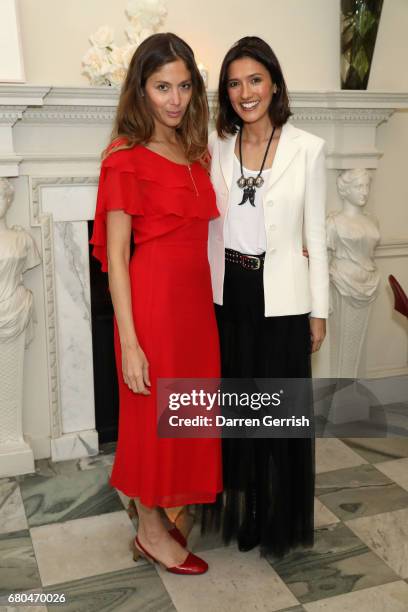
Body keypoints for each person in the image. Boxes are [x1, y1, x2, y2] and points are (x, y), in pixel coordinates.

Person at [90, 32, 222, 575]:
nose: (174, 99)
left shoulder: (196, 152)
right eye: (162, 86)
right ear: (140, 91)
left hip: (194, 308)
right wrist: (130, 341)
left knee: (188, 413)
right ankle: (150, 532)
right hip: (152, 306)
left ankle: (170, 509)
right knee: (151, 419)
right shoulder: (124, 158)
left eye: (184, 86)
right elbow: (116, 258)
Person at [204, 36, 329, 557]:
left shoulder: (308, 148)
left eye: (254, 79)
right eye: (234, 83)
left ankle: (279, 514)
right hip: (228, 291)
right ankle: (248, 507)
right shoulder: (215, 146)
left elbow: (316, 235)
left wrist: (319, 310)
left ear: (274, 83)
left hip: (281, 296)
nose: (244, 92)